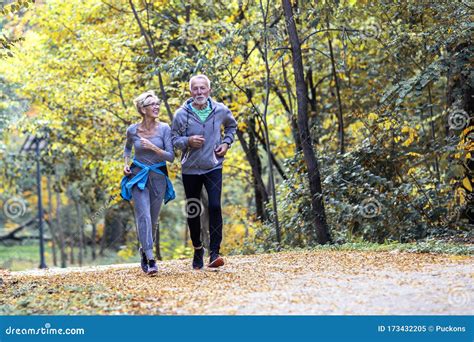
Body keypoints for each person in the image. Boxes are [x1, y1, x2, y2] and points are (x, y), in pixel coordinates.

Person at [171, 75, 237, 270]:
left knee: (215, 206)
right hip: (190, 168)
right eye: (195, 89)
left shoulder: (220, 110)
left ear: (209, 90)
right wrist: (188, 141)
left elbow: (232, 126)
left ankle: (214, 252)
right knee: (194, 210)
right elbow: (174, 139)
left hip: (213, 166)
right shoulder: (181, 114)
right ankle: (198, 248)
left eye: (202, 88)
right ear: (190, 92)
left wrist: (226, 143)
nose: (199, 92)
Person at [121, 90, 175, 275]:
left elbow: (171, 157)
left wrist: (153, 147)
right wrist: (126, 164)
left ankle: (144, 249)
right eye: (152, 104)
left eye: (158, 103)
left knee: (152, 218)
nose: (157, 106)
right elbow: (128, 148)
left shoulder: (165, 129)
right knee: (143, 215)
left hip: (158, 175)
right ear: (143, 109)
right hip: (138, 175)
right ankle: (151, 259)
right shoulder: (132, 130)